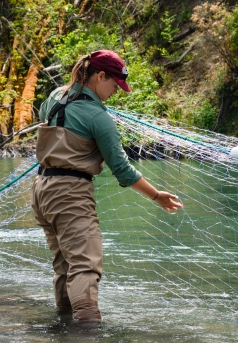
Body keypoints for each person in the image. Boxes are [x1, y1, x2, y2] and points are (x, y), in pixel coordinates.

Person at [31, 50, 183, 323]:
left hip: (42, 189)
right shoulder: (99, 119)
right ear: (100, 76)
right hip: (69, 194)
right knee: (85, 266)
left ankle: (64, 326)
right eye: (115, 85)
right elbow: (122, 171)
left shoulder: (55, 97)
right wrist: (157, 195)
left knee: (65, 265)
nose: (116, 91)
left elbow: (51, 124)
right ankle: (88, 331)